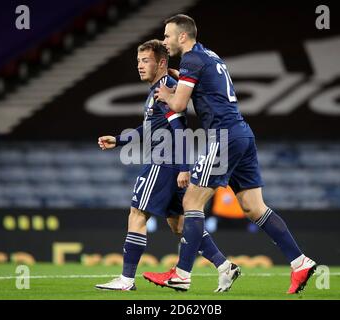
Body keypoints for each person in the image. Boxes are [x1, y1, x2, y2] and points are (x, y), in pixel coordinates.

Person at [142, 15, 317, 294]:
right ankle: (300, 262)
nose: (164, 41)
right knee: (253, 207)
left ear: (182, 37)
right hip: (242, 133)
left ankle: (182, 274)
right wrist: (176, 76)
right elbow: (201, 81)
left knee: (191, 201)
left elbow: (179, 103)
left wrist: (164, 94)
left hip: (222, 136)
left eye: (167, 36)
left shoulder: (190, 60)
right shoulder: (207, 55)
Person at [95, 39, 241, 292]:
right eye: (138, 61)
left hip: (163, 162)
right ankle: (224, 266)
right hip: (173, 164)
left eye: (146, 61)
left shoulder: (166, 89)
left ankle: (126, 280)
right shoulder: (164, 88)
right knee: (180, 225)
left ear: (161, 62)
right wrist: (119, 140)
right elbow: (151, 127)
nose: (140, 66)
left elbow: (180, 130)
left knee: (137, 214)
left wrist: (184, 167)